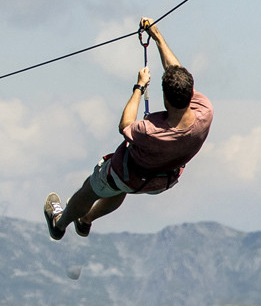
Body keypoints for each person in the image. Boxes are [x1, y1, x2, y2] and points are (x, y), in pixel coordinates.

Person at [44, 17, 214, 240]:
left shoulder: (151, 131)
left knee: (92, 188)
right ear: (189, 93)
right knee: (121, 187)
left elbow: (125, 125)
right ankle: (85, 221)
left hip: (128, 174)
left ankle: (60, 224)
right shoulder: (204, 111)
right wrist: (158, 37)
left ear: (165, 98)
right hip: (160, 181)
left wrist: (139, 87)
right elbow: (176, 71)